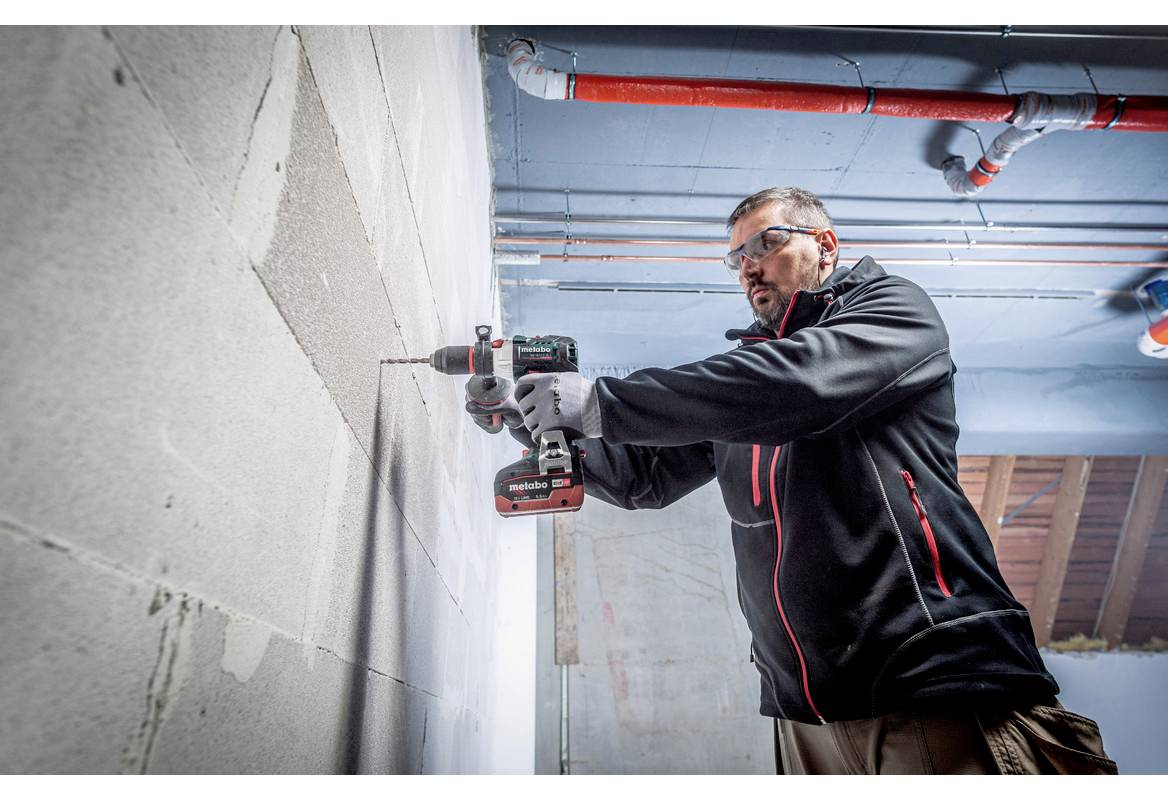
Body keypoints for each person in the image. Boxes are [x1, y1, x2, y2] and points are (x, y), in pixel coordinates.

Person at [470, 187, 1117, 775]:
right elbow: (645, 477)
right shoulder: (747, 383)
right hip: (804, 715)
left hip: (934, 687)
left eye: (767, 242)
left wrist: (605, 401)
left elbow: (800, 384)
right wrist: (527, 421)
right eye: (736, 258)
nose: (749, 264)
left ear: (825, 246)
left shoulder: (892, 313)